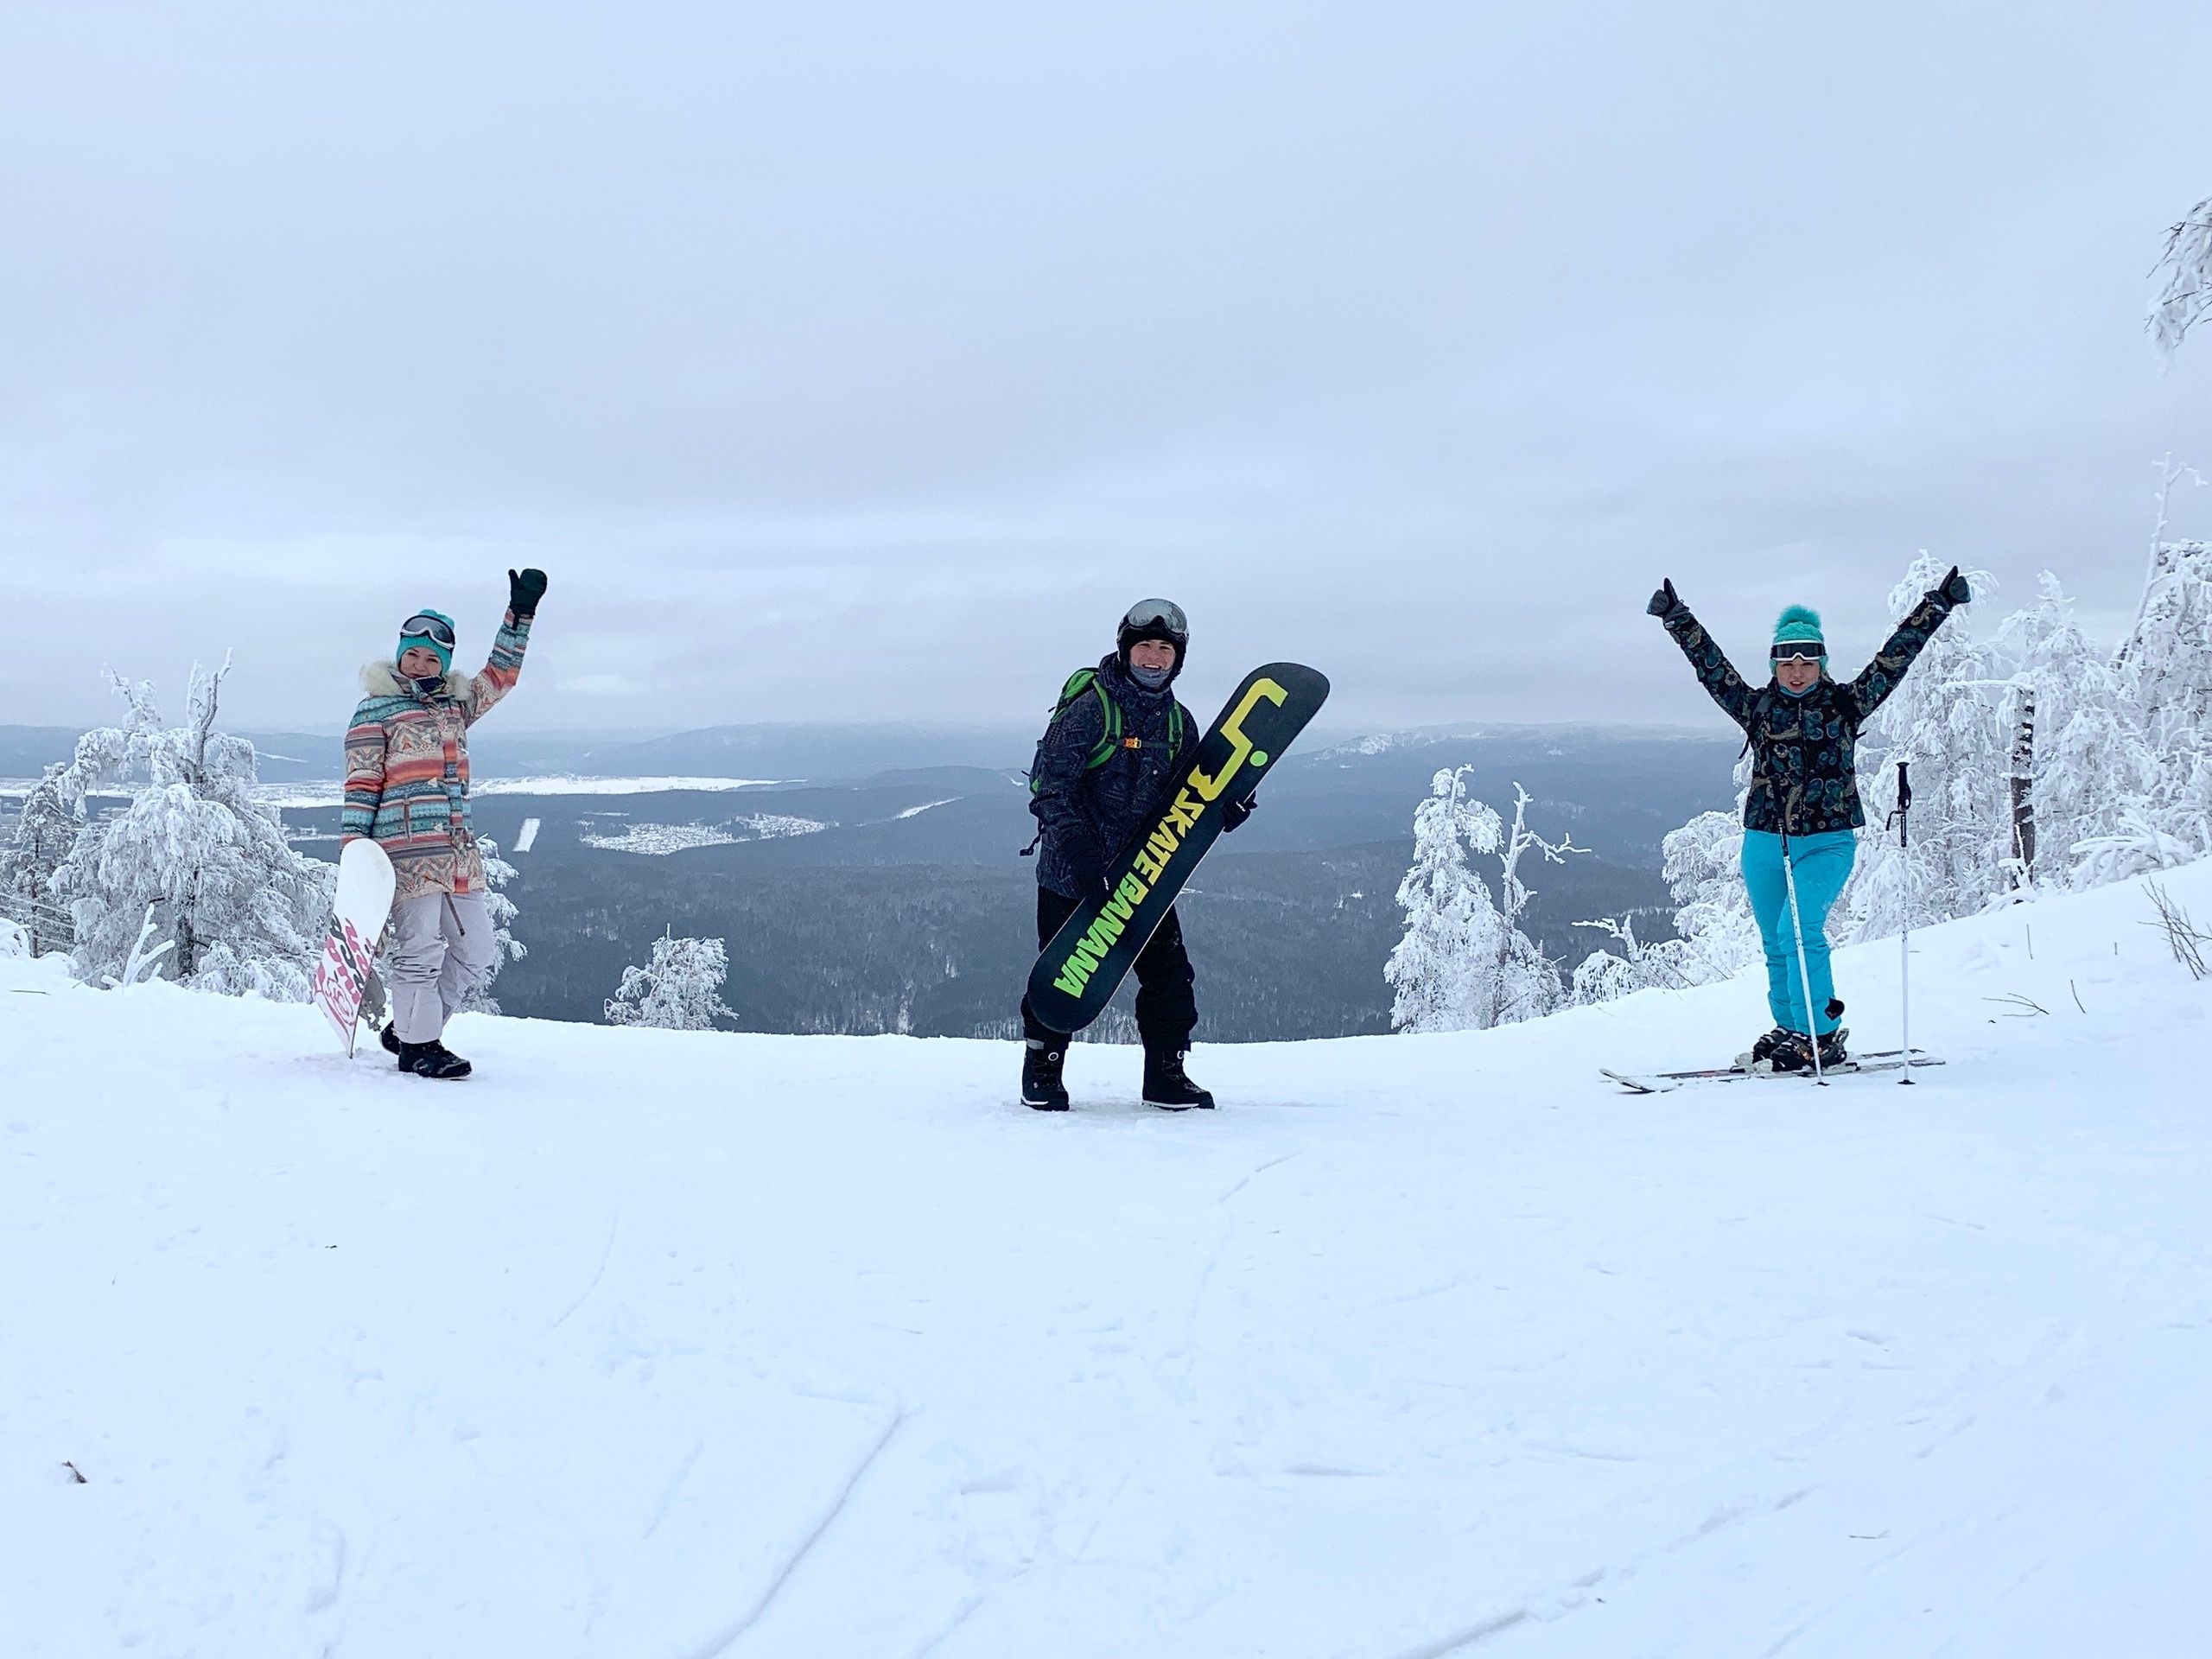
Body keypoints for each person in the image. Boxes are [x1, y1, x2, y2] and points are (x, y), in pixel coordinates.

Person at [1647, 565, 1971, 1072]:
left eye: (1807, 660)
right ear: (1774, 665)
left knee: (1800, 928)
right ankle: (1792, 1027)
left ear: (1821, 663)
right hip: (1764, 841)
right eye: (1786, 661)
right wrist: (1677, 617)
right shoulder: (1756, 708)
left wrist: (1939, 603)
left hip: (1827, 841)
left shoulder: (1846, 705)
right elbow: (1712, 667)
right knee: (1775, 939)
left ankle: (1822, 1034)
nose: (1797, 670)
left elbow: (1895, 658)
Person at [1020, 598, 1254, 1111]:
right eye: (1144, 646)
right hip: (1072, 875)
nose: (1153, 657)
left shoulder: (1178, 724)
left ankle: (1166, 1074)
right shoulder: (1091, 710)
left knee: (1170, 975)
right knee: (1066, 973)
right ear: (1126, 649)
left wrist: (1222, 812)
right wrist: (1082, 858)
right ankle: (1043, 1067)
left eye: (1164, 649)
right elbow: (1049, 786)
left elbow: (1188, 798)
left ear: (1178, 658)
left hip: (1145, 873)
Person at [341, 568, 548, 1079]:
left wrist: (519, 615)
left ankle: (408, 1027)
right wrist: (355, 856)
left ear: (445, 662)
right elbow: (362, 785)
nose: (420, 663)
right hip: (404, 853)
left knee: (477, 950)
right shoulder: (375, 711)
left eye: (432, 657)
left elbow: (499, 677)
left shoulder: (454, 706)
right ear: (399, 654)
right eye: (412, 653)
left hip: (457, 851)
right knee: (420, 950)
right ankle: (419, 1047)